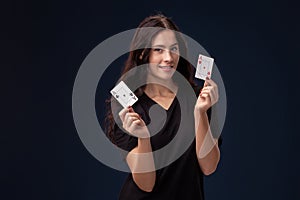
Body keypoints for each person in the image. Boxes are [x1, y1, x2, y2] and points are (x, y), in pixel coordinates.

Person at [105, 13, 222, 200]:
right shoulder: (127, 106)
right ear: (143, 53)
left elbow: (209, 167)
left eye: (173, 49)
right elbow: (146, 184)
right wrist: (143, 137)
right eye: (159, 49)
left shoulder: (199, 98)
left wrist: (200, 112)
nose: (168, 57)